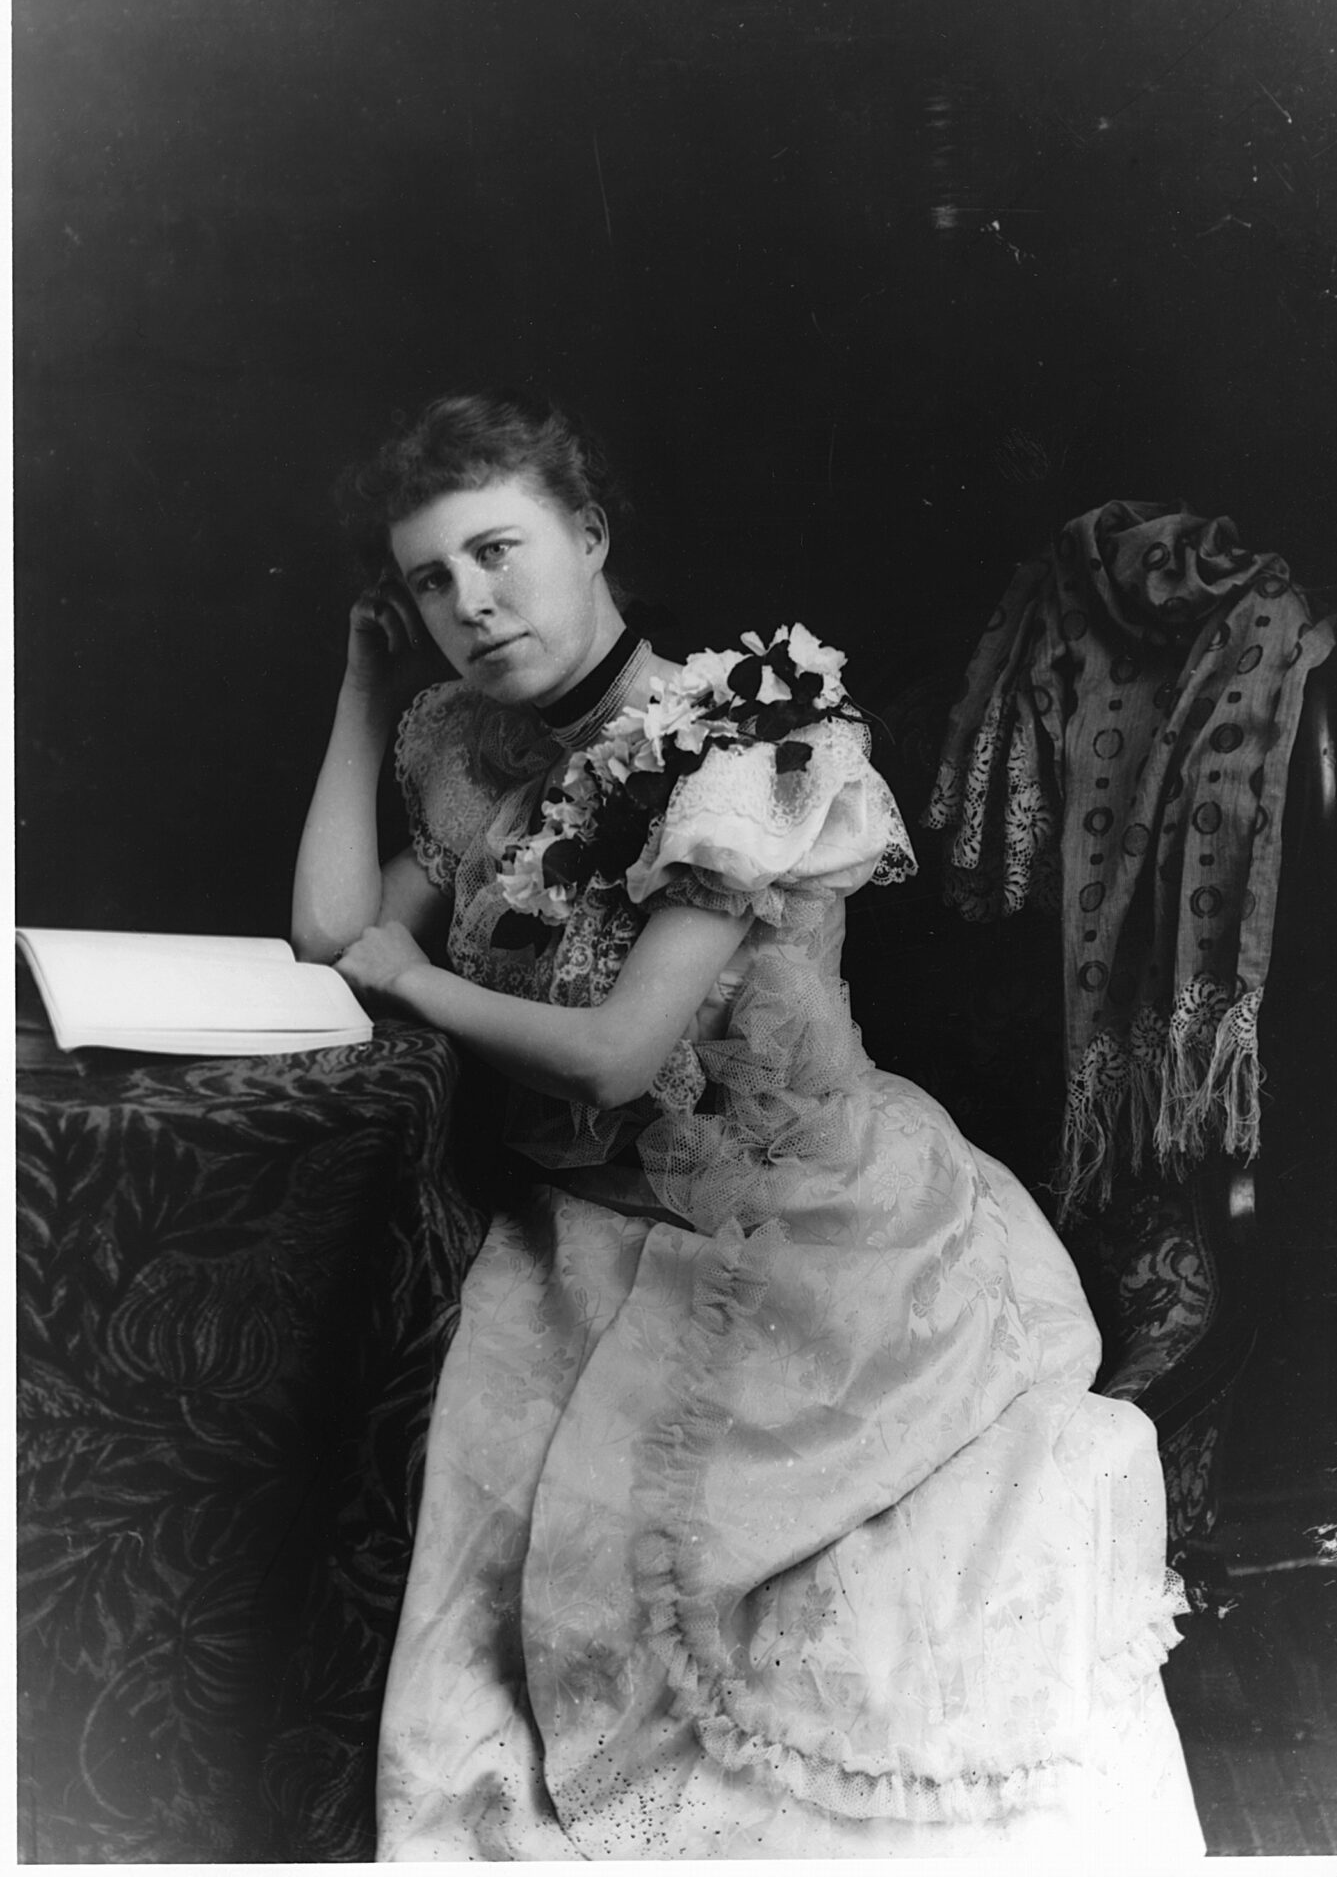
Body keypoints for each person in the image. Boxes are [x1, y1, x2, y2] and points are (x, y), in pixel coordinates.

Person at [293, 388, 1206, 1860]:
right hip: (581, 1226)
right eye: (428, 581)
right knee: (501, 1640)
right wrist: (358, 688)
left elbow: (611, 1053)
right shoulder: (462, 743)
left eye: (498, 551)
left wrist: (414, 981)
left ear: (588, 536)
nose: (470, 601)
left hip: (800, 1230)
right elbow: (333, 931)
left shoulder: (748, 738)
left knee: (764, 1656)